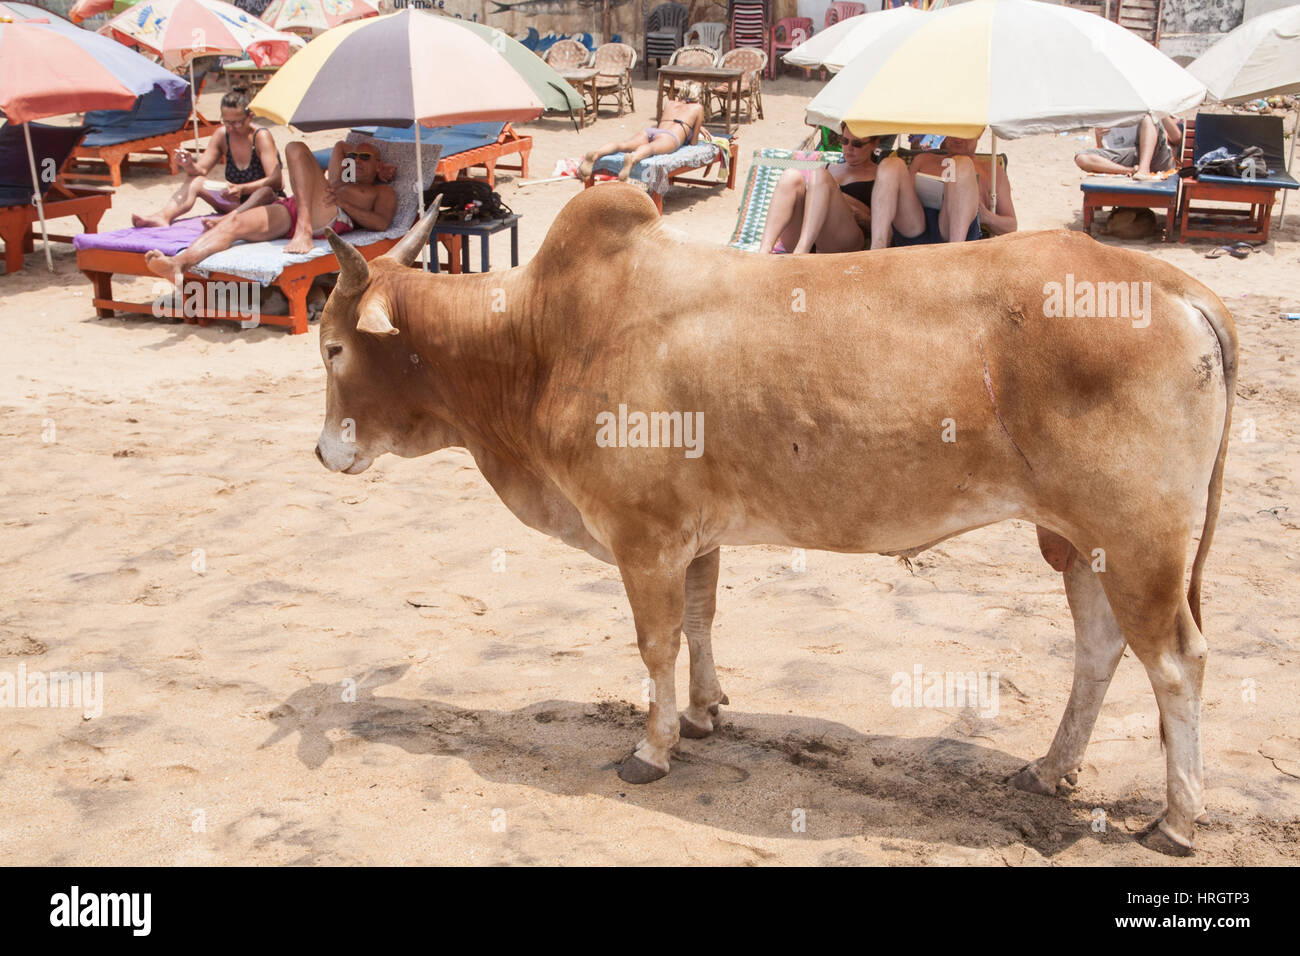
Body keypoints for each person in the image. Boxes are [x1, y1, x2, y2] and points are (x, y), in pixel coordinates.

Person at [144, 139, 397, 280]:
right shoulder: (341, 179)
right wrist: (355, 155)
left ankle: (304, 229)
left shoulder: (382, 191)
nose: (357, 160)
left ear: (379, 165)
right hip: (297, 207)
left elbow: (381, 224)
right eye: (354, 157)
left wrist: (345, 203)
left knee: (295, 148)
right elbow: (342, 145)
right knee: (233, 225)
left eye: (365, 158)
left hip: (330, 213)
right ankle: (179, 263)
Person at [131, 85, 283, 229]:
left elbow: (276, 181)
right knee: (195, 181)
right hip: (235, 203)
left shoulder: (261, 136)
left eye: (237, 123)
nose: (231, 128)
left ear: (250, 116)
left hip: (262, 204)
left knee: (264, 192)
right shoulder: (223, 135)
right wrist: (188, 164)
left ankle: (227, 220)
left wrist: (242, 188)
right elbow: (200, 170)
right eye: (226, 122)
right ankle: (163, 216)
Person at [869, 129, 1017, 249]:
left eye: (966, 131)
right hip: (915, 228)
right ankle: (877, 249)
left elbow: (1011, 226)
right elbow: (899, 200)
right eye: (953, 129)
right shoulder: (923, 159)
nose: (958, 137)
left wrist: (987, 217)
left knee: (961, 164)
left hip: (954, 233)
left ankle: (954, 254)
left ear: (980, 131)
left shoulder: (992, 171)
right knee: (891, 164)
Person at [758, 125, 879, 255]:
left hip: (845, 241)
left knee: (820, 175)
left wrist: (854, 209)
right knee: (790, 176)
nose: (849, 148)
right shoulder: (827, 167)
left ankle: (802, 251)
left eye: (857, 144)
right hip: (807, 239)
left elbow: (883, 227)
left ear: (874, 144)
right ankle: (764, 251)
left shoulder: (881, 175)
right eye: (844, 141)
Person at [577, 82, 707, 181]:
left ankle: (596, 154)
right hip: (670, 137)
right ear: (697, 95)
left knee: (623, 145)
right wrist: (693, 129)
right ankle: (633, 159)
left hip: (652, 131)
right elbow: (694, 142)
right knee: (650, 148)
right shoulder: (697, 108)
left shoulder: (670, 103)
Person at [1074, 114, 1183, 180]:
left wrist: (1159, 110)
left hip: (1156, 156)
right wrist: (1099, 135)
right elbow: (1105, 150)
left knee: (1148, 118)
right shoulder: (1112, 111)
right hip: (1128, 157)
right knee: (1082, 157)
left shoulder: (1152, 106)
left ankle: (1143, 170)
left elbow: (1176, 139)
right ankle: (1129, 171)